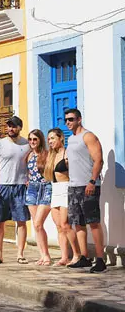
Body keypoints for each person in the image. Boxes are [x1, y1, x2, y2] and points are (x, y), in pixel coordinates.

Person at [63, 109, 106, 273]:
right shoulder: (71, 139)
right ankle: (84, 257)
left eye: (71, 119)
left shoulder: (88, 136)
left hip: (88, 185)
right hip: (73, 186)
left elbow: (98, 160)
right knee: (78, 223)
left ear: (79, 119)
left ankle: (100, 259)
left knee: (93, 222)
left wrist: (92, 181)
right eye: (66, 120)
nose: (68, 122)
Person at [0, 116, 31, 265]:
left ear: (20, 127)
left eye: (13, 126)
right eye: (8, 126)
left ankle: (20, 254)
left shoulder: (27, 144)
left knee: (21, 221)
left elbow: (32, 163)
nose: (10, 129)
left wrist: (29, 180)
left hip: (20, 187)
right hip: (3, 187)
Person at [44, 128, 73, 266]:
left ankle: (77, 255)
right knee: (58, 227)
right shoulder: (51, 156)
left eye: (53, 138)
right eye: (49, 139)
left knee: (65, 224)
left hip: (66, 189)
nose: (50, 141)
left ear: (61, 138)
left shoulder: (67, 154)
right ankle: (64, 257)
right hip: (55, 190)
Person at [24, 129, 52, 265]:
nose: (32, 142)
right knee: (36, 226)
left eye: (35, 139)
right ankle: (42, 255)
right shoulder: (28, 155)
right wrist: (28, 179)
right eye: (30, 139)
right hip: (32, 190)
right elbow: (29, 172)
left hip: (45, 188)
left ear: (40, 140)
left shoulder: (46, 155)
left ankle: (46, 255)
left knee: (38, 223)